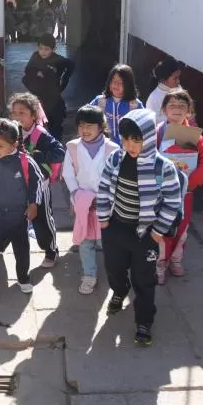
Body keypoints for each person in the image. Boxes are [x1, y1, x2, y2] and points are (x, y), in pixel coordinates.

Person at [97, 109, 184, 347]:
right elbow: (104, 187)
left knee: (144, 279)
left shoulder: (162, 167)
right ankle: (119, 290)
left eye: (136, 140)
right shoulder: (115, 159)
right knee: (113, 267)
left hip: (145, 234)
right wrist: (103, 218)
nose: (130, 145)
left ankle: (144, 320)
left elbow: (172, 201)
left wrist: (157, 231)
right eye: (126, 139)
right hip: (115, 228)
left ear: (148, 138)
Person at [0, 119, 44, 300]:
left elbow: (37, 184)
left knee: (22, 251)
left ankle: (23, 278)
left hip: (19, 217)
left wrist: (33, 204)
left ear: (14, 144)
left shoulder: (26, 162)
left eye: (0, 146)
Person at [155, 89, 203, 282]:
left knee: (182, 228)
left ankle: (176, 260)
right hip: (161, 194)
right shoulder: (157, 133)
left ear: (189, 112)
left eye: (182, 106)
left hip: (185, 193)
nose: (177, 109)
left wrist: (190, 183)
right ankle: (160, 263)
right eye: (172, 105)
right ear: (164, 110)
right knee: (162, 228)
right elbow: (147, 159)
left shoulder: (196, 137)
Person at [62, 105, 118, 295]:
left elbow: (117, 178)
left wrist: (106, 198)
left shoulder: (113, 149)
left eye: (89, 126)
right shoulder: (72, 148)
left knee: (108, 240)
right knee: (86, 241)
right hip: (83, 204)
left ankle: (115, 272)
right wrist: (77, 196)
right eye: (81, 126)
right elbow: (68, 175)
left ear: (101, 127)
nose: (84, 130)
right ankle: (89, 274)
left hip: (107, 205)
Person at [10, 92, 65, 268]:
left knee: (42, 222)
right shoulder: (10, 131)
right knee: (9, 220)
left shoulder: (41, 134)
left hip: (40, 186)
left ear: (33, 116)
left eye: (22, 113)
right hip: (17, 187)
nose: (17, 117)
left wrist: (42, 156)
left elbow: (60, 152)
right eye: (15, 112)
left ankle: (51, 250)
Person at [22, 33, 75, 138]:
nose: (43, 52)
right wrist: (36, 73)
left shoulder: (58, 60)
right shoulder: (35, 56)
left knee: (55, 125)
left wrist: (64, 81)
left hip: (53, 99)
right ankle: (34, 148)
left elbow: (71, 65)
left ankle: (56, 146)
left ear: (53, 49)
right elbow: (27, 71)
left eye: (46, 49)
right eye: (41, 48)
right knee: (36, 125)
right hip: (37, 98)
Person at [90, 64, 144, 145]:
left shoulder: (135, 105)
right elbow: (87, 117)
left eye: (121, 82)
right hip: (103, 146)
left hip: (127, 148)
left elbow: (143, 127)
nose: (116, 84)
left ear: (128, 85)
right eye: (113, 81)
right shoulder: (100, 101)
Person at [145, 58, 182, 126]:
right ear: (163, 80)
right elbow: (152, 122)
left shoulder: (179, 90)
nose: (178, 81)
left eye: (179, 77)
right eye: (175, 78)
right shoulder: (154, 98)